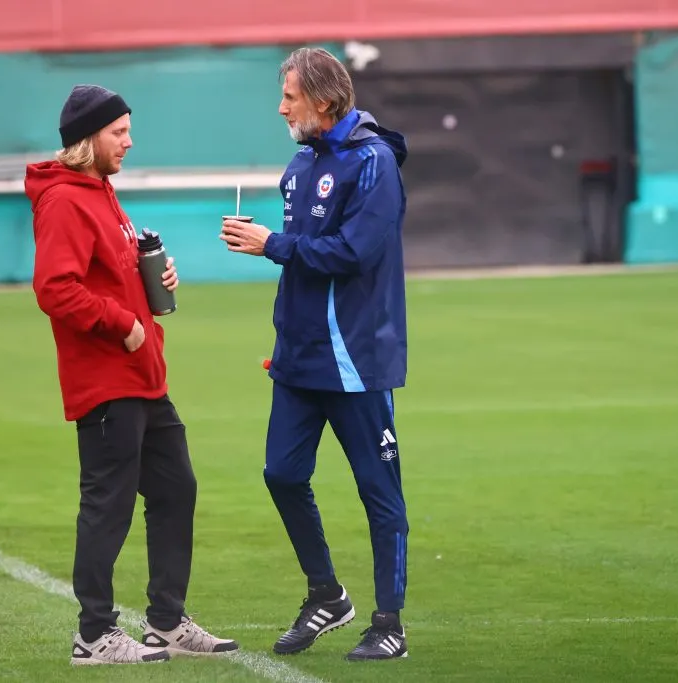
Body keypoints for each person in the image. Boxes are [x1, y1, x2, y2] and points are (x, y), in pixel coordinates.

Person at [25, 84, 238, 666]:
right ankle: (93, 633)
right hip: (106, 378)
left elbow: (110, 268)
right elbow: (55, 288)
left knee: (176, 489)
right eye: (118, 132)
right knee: (108, 505)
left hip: (143, 377)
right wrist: (122, 322)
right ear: (86, 139)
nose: (129, 141)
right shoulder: (66, 200)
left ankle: (166, 622)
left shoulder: (100, 191)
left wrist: (154, 277)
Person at [220, 48, 410, 661]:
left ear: (324, 102)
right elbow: (301, 263)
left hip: (354, 360)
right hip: (298, 360)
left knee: (378, 493)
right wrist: (283, 335)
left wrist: (270, 243)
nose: (281, 108)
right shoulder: (300, 165)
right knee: (281, 474)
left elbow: (353, 254)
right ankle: (327, 594)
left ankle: (390, 623)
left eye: (290, 98)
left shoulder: (375, 163)